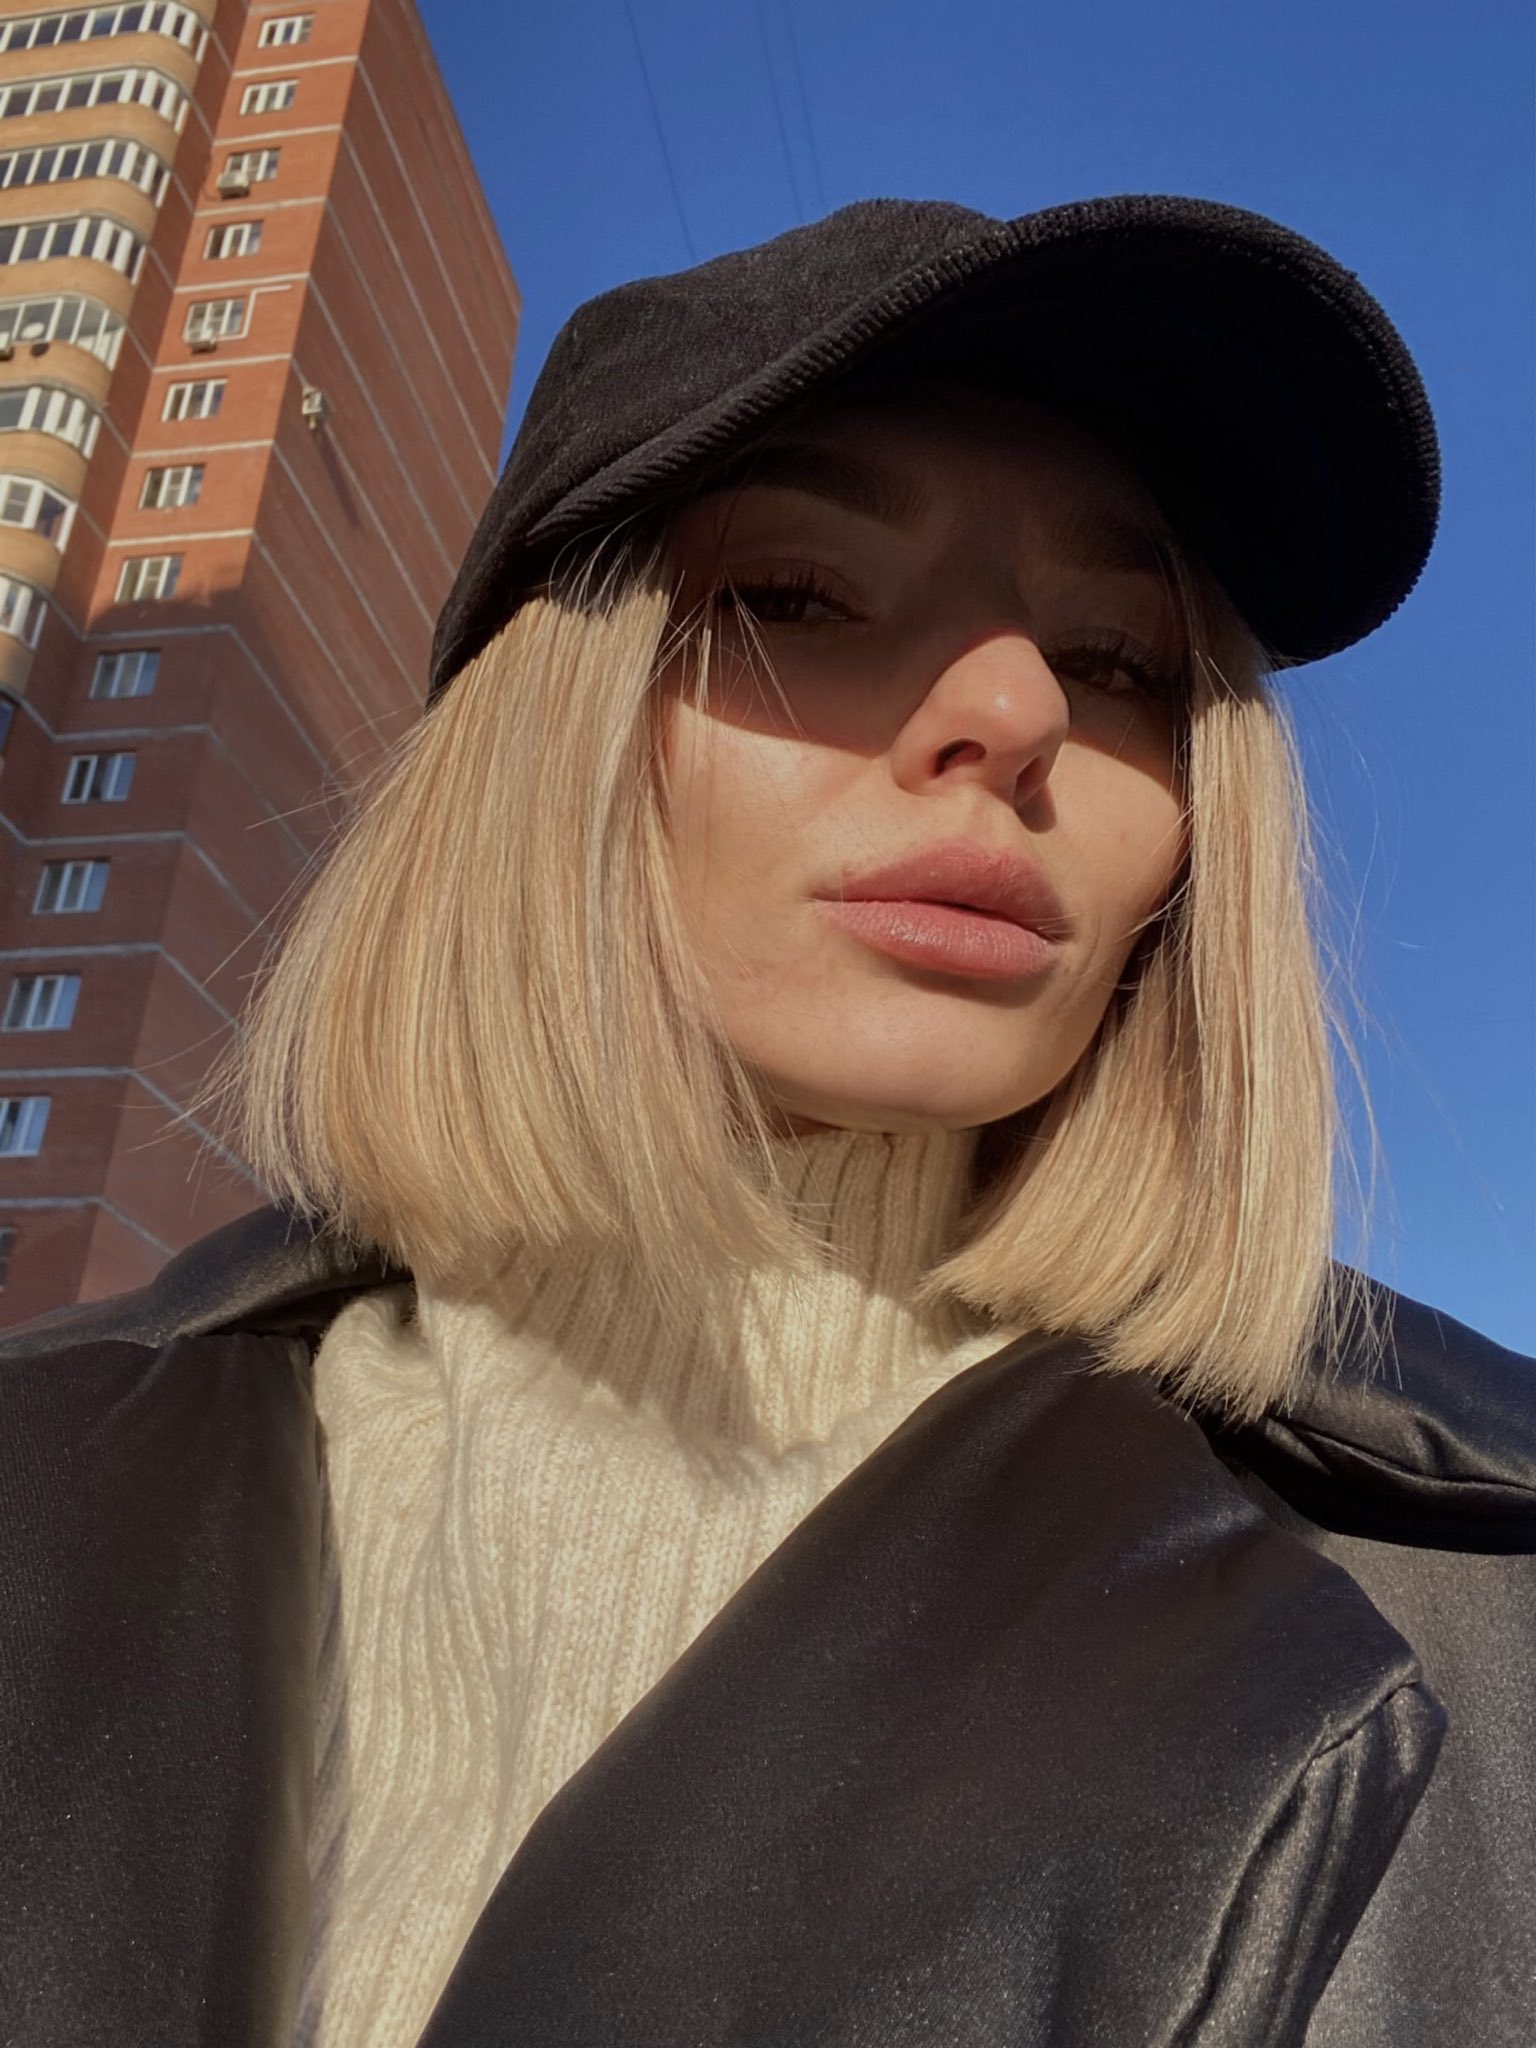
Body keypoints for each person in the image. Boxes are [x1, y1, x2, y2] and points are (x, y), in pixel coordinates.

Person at [1, 194, 1531, 2048]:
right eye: (798, 597)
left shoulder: (1468, 1615)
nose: (1017, 708)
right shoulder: (42, 1477)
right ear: (539, 733)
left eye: (1121, 660)